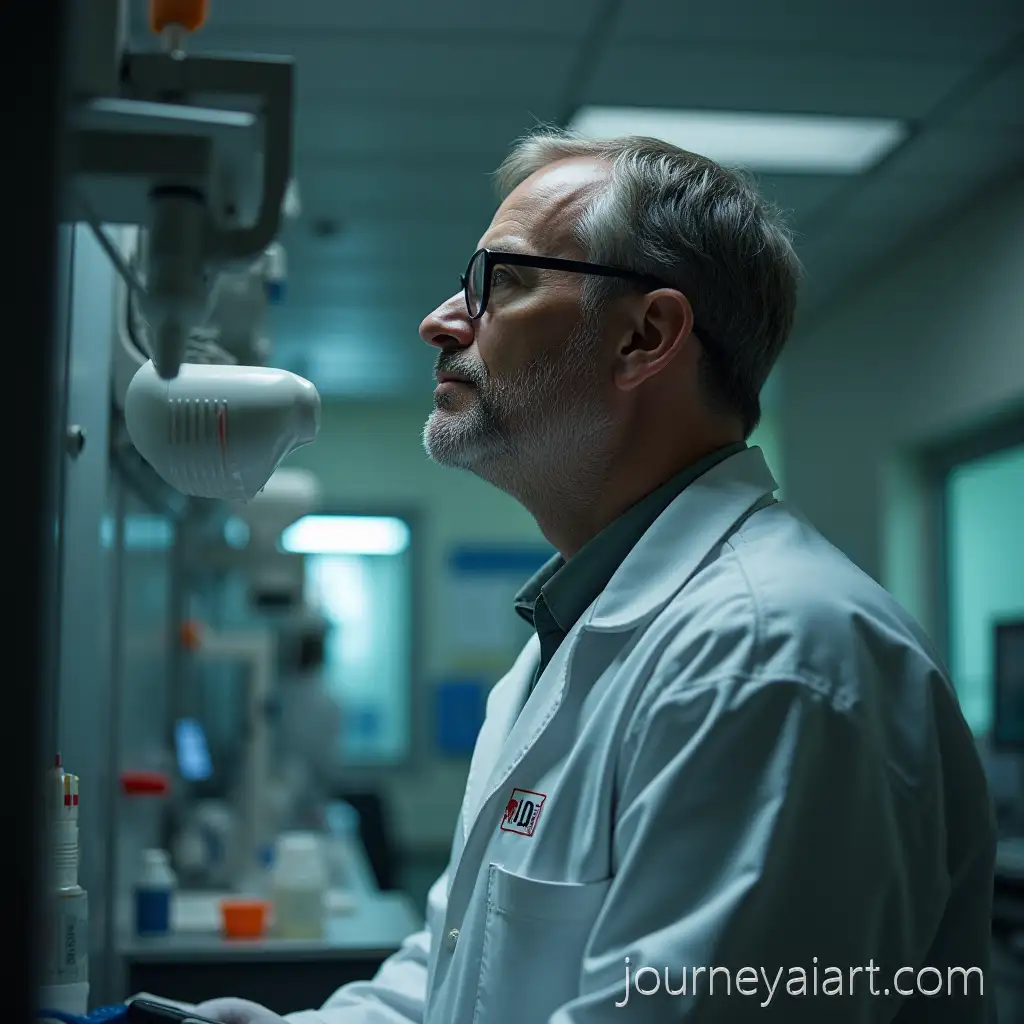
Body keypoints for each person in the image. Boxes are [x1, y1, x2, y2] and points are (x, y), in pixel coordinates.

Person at [194, 129, 996, 1022]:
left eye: (503, 282)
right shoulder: (575, 629)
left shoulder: (768, 657)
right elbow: (455, 968)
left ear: (644, 337)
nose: (441, 320)